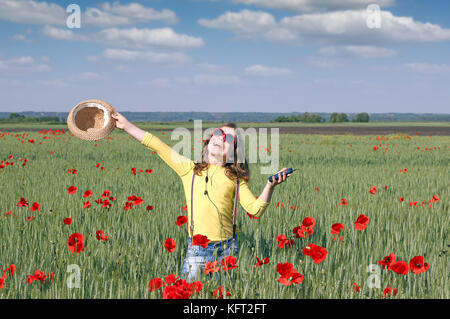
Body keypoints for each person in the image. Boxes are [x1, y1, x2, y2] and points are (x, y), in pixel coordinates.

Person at [112, 112, 291, 282]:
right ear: (209, 140)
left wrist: (270, 185)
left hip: (227, 250)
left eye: (228, 138)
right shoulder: (188, 169)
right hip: (197, 248)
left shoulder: (235, 180)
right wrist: (126, 126)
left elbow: (255, 209)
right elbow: (157, 145)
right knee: (187, 291)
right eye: (218, 133)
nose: (221, 137)